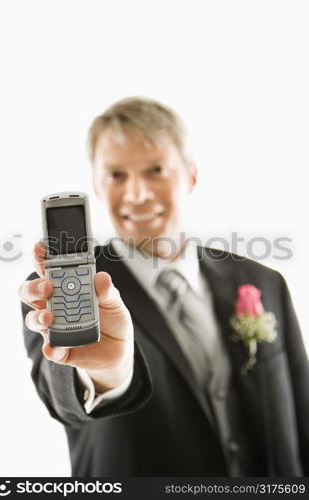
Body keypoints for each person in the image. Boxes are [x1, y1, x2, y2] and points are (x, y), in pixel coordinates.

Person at [19, 97, 309, 477]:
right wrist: (108, 375)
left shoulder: (261, 281)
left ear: (190, 176)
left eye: (155, 170)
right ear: (97, 185)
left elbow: (301, 413)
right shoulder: (66, 290)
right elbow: (64, 402)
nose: (137, 193)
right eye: (116, 175)